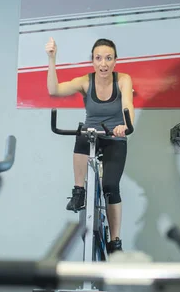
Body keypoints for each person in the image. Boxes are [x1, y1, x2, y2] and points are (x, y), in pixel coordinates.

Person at [45, 37, 135, 254]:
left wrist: (125, 125)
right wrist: (52, 59)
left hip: (115, 137)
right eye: (98, 58)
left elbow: (128, 105)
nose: (103, 63)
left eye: (108, 58)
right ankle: (79, 191)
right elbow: (54, 90)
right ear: (92, 61)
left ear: (115, 61)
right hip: (92, 135)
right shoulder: (86, 81)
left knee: (111, 187)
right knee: (82, 134)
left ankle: (115, 242)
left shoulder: (123, 80)